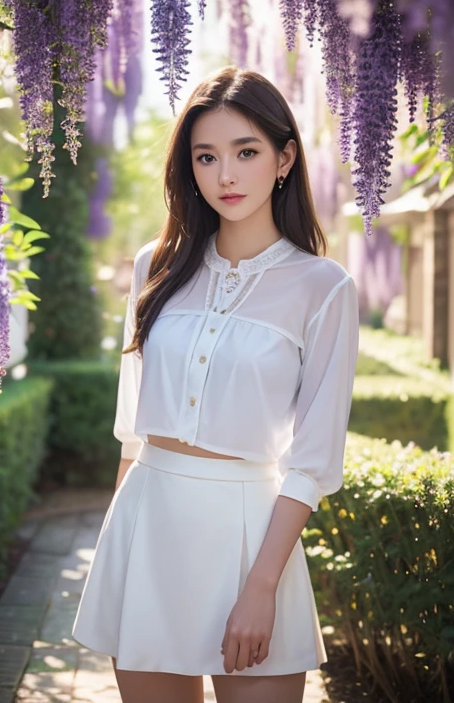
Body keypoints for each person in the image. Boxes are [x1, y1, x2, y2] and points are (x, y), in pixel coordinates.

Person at [72, 65, 359, 703]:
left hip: (251, 541)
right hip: (149, 525)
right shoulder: (157, 265)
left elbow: (313, 460)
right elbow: (132, 424)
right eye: (206, 156)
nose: (225, 175)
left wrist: (261, 587)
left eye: (246, 152)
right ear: (189, 168)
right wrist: (119, 550)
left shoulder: (324, 287)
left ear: (285, 158)